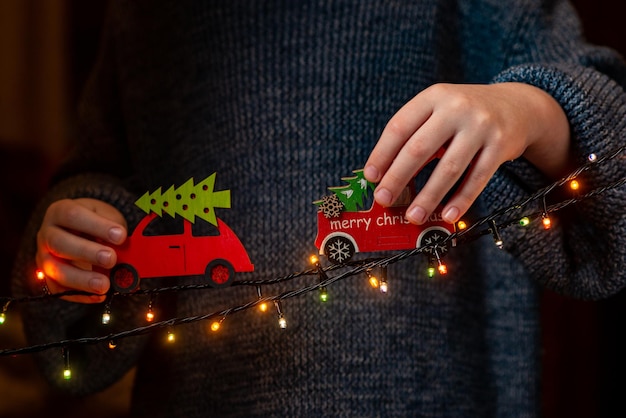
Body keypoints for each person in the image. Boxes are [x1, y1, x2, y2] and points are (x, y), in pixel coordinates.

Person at [12, 0, 626, 416]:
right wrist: (83, 226)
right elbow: (99, 169)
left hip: (436, 395)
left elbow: (607, 128)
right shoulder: (146, 20)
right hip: (198, 395)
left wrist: (529, 111)